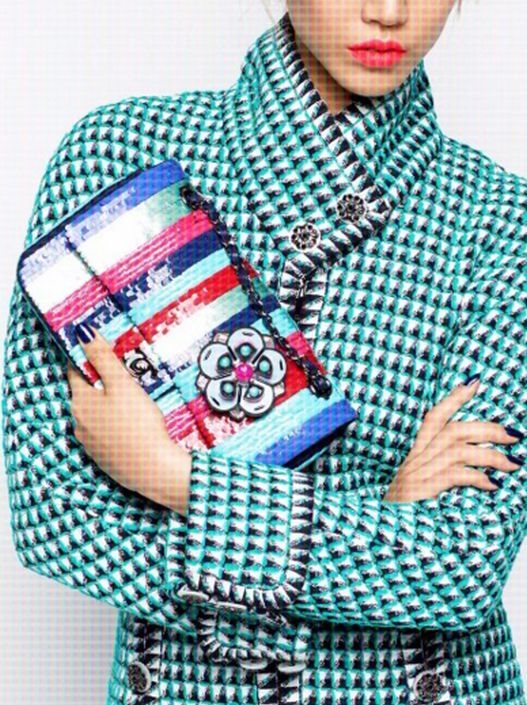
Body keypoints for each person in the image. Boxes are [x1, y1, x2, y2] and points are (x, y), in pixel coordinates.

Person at [3, 0, 527, 703]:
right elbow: (54, 514)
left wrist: (175, 478)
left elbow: (461, 566)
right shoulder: (121, 155)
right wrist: (382, 524)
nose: (389, 12)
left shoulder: (501, 222)